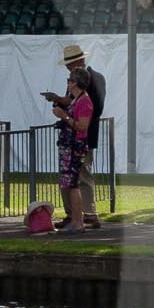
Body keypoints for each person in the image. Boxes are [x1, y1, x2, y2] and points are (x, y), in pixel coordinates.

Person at [52, 42, 106, 230]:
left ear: (80, 61)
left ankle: (88, 214)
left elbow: (94, 110)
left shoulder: (94, 80)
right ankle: (74, 214)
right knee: (70, 177)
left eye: (71, 64)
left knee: (81, 175)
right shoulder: (78, 85)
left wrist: (66, 114)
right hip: (73, 136)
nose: (68, 69)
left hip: (83, 137)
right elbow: (75, 103)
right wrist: (61, 101)